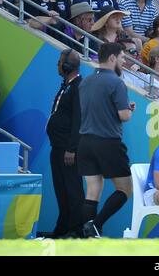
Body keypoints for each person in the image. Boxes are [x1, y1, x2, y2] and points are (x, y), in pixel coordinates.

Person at [77, 43, 135, 238]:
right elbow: (124, 115)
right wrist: (128, 110)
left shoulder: (85, 81)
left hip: (85, 141)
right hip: (108, 142)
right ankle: (96, 225)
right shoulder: (117, 82)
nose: (124, 61)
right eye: (122, 58)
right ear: (111, 58)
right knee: (125, 189)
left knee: (93, 190)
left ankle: (88, 239)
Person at [46, 49, 85, 238]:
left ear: (68, 66)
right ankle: (62, 227)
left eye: (60, 62)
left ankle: (76, 230)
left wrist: (72, 148)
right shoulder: (67, 85)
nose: (57, 65)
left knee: (73, 189)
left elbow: (79, 119)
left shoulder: (78, 86)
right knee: (61, 189)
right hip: (58, 146)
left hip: (68, 149)